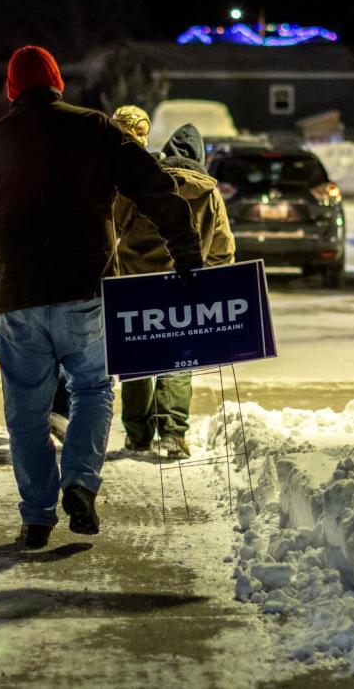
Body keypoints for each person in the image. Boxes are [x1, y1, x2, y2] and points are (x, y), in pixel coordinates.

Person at [0, 46, 203, 550]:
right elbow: (155, 187)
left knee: (26, 411)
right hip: (86, 292)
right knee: (91, 390)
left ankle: (36, 517)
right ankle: (81, 482)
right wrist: (186, 249)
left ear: (13, 90)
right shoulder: (96, 129)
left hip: (18, 298)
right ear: (59, 83)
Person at [112, 117, 235, 459]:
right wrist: (210, 282)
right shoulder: (210, 194)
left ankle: (137, 436)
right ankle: (173, 433)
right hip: (184, 286)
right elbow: (224, 249)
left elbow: (113, 224)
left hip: (134, 285)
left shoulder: (145, 184)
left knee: (136, 359)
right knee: (178, 359)